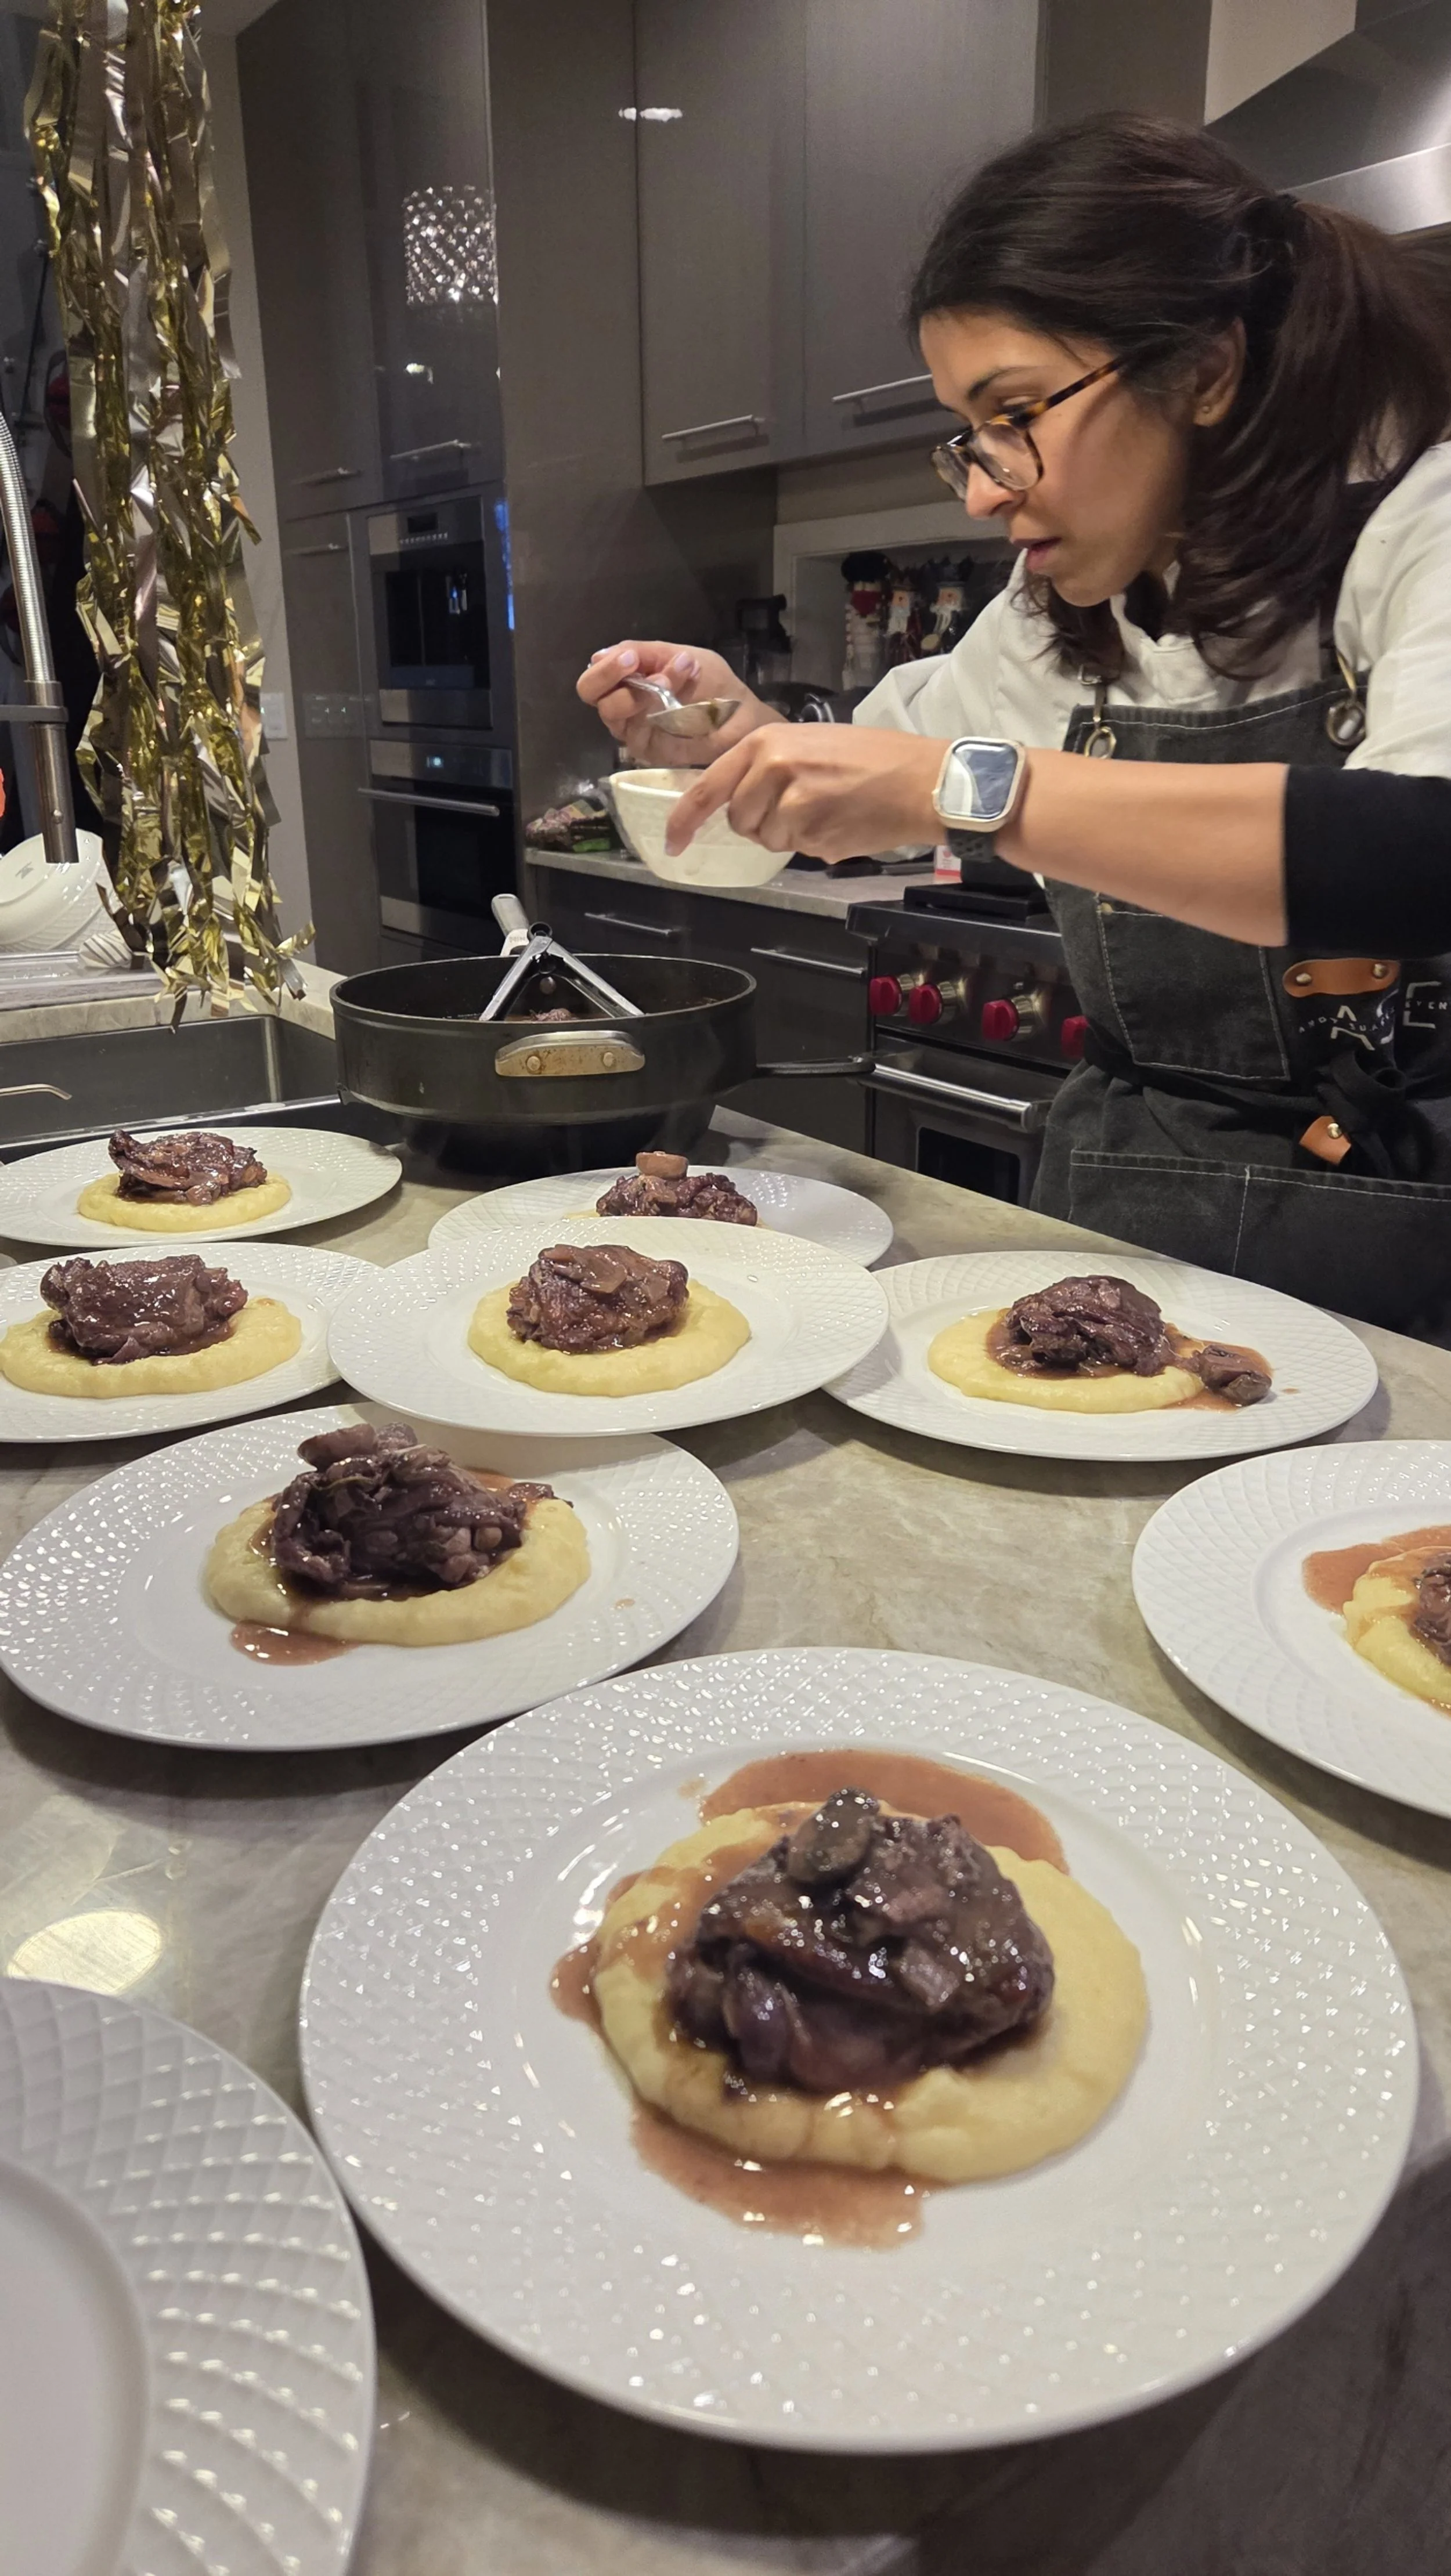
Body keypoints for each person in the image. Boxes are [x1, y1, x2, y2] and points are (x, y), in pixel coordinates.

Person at [581, 114, 1451, 1338]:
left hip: (1398, 1254)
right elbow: (882, 772)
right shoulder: (1060, 606)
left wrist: (964, 786)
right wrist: (722, 730)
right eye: (967, 435)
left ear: (1202, 368)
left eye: (1017, 412)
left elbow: (1417, 849)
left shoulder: (1423, 518)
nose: (987, 485)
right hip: (1117, 1219)